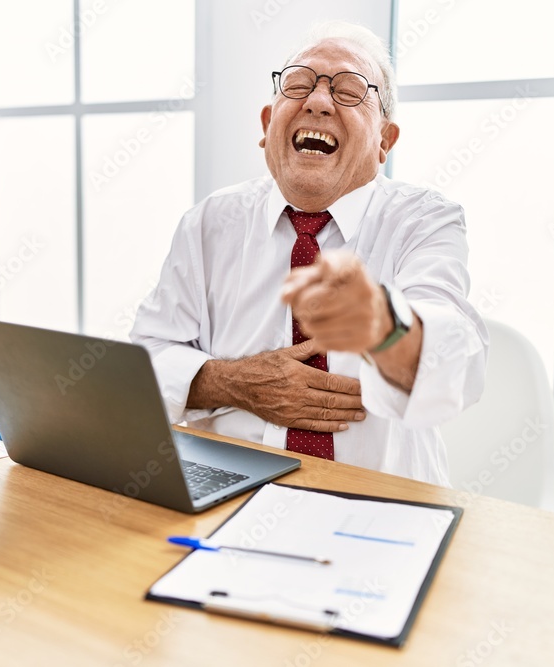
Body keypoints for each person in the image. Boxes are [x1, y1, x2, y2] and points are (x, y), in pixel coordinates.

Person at [130, 21, 487, 486]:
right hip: (225, 493)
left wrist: (383, 325)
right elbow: (144, 359)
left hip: (377, 508)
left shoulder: (425, 220)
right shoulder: (208, 222)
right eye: (298, 85)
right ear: (266, 125)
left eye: (350, 91)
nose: (318, 101)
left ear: (385, 141)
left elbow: (459, 364)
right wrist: (233, 383)